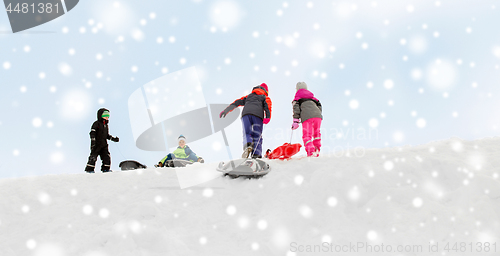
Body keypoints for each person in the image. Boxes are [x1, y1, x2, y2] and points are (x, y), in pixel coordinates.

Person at [219, 83, 272, 158]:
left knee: (247, 133)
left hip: (246, 114)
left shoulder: (249, 96)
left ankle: (248, 145)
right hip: (258, 116)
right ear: (266, 91)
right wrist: (268, 117)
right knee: (257, 135)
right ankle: (256, 154)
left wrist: (226, 110)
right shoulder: (264, 97)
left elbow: (236, 102)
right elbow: (268, 106)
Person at [292, 82, 322, 157]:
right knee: (316, 133)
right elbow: (319, 105)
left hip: (307, 117)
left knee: (307, 135)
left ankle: (311, 152)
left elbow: (296, 109)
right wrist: (317, 113)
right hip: (317, 116)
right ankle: (317, 150)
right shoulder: (313, 97)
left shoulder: (297, 98)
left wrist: (296, 121)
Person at [85, 108, 119, 173]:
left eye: (108, 116)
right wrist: (93, 141)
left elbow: (107, 135)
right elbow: (92, 133)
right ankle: (90, 170)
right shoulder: (96, 123)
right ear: (101, 116)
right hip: (97, 144)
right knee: (93, 156)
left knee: (106, 156)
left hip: (104, 144)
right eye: (105, 116)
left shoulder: (106, 125)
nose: (107, 117)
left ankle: (105, 169)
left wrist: (114, 139)